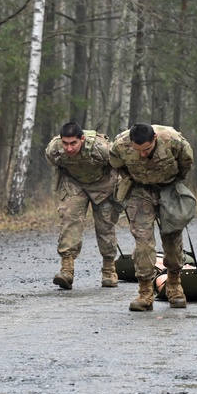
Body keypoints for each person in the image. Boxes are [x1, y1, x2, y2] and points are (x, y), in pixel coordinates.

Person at [109, 123, 194, 311]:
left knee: (172, 238)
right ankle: (145, 292)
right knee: (143, 242)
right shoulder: (120, 145)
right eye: (137, 150)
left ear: (154, 138)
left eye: (146, 149)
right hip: (140, 191)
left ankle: (174, 286)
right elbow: (117, 165)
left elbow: (186, 163)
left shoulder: (173, 141)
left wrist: (172, 182)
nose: (142, 154)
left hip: (168, 188)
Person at [44, 122, 120, 289]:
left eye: (73, 143)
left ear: (82, 139)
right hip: (75, 184)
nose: (69, 148)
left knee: (105, 226)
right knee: (69, 221)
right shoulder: (54, 150)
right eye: (65, 143)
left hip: (103, 185)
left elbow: (118, 166)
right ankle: (67, 270)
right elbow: (56, 165)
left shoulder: (101, 148)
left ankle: (109, 270)